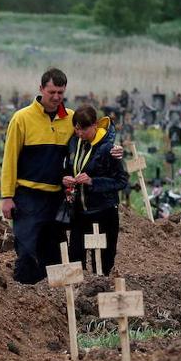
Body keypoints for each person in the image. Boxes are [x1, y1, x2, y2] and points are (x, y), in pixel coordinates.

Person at [0, 68, 122, 284]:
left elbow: (97, 135)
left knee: (56, 254)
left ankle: (54, 303)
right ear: (41, 89)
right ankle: (24, 299)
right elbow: (9, 160)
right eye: (52, 92)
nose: (56, 97)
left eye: (61, 93)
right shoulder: (22, 119)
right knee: (27, 251)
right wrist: (7, 196)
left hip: (59, 198)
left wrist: (115, 149)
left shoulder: (72, 119)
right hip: (28, 196)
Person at [63, 105, 128, 273]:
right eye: (76, 129)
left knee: (103, 264)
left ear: (94, 125)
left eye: (83, 129)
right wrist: (66, 179)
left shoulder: (108, 149)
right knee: (75, 258)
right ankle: (79, 296)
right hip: (79, 212)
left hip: (103, 212)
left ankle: (102, 294)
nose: (79, 133)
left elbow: (121, 181)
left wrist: (93, 182)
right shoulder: (74, 143)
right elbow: (69, 167)